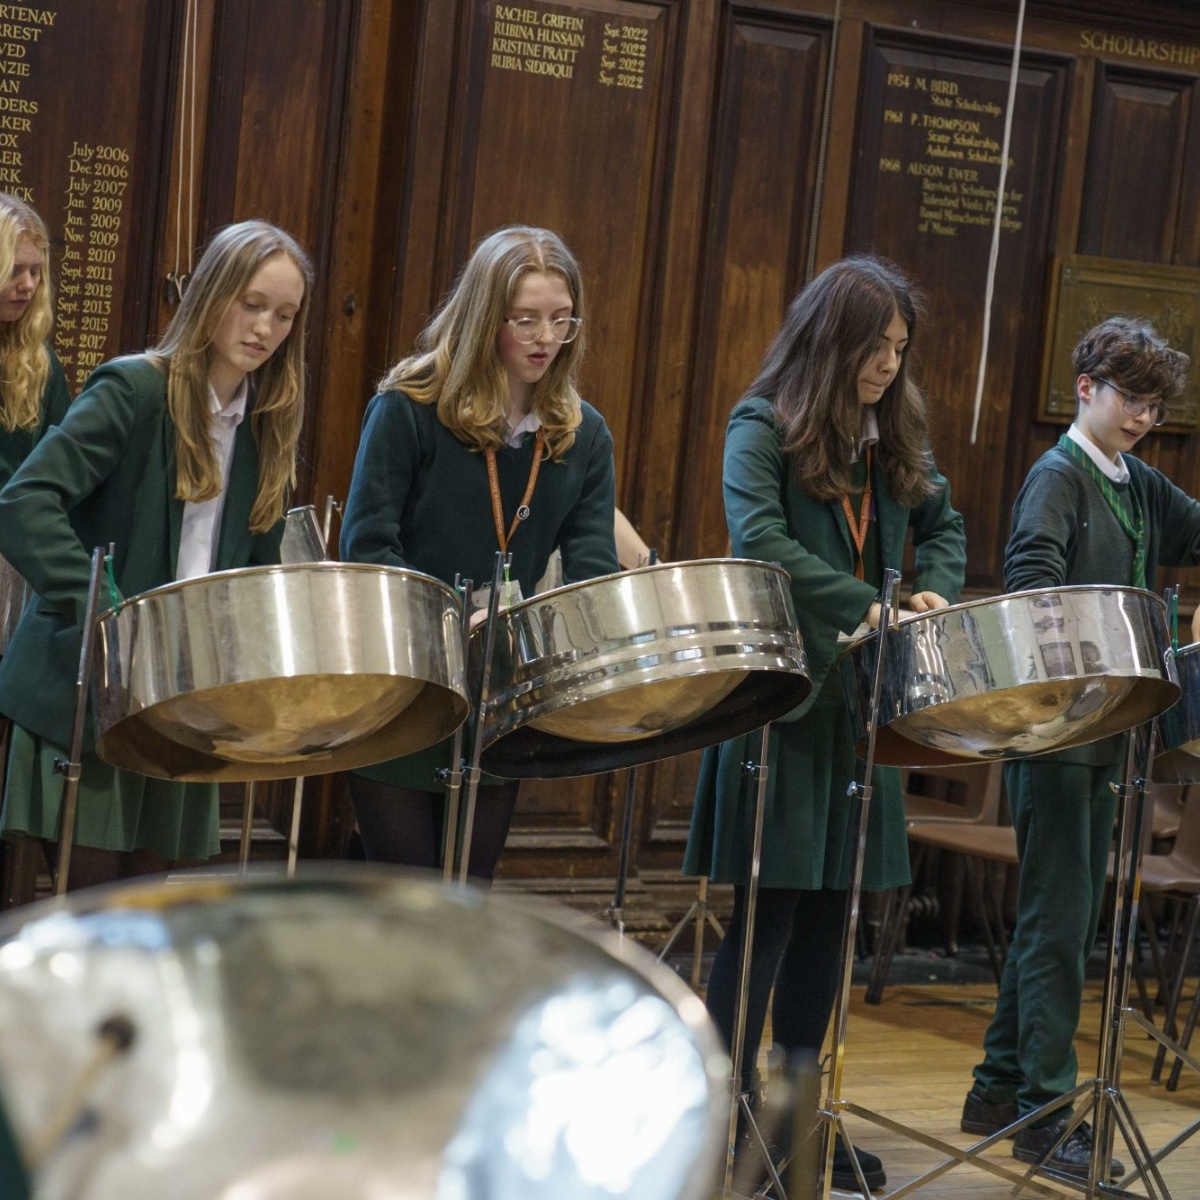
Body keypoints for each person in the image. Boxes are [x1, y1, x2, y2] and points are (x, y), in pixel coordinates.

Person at [683, 255, 966, 1193]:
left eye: (899, 347)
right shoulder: (760, 425)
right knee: (763, 926)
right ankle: (720, 1127)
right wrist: (862, 602)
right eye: (874, 346)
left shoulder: (892, 437)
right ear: (829, 340)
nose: (889, 364)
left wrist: (933, 589)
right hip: (782, 706)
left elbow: (949, 522)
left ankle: (801, 1128)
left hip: (862, 714)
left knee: (829, 930)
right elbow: (757, 540)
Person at [0, 219, 312, 891]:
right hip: (88, 694)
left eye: (284, 315)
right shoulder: (134, 390)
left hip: (182, 706)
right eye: (252, 303)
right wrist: (107, 613)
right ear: (211, 295)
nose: (265, 327)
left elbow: (250, 577)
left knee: (144, 922)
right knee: (94, 920)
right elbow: (24, 502)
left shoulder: (267, 427)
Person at [962, 316, 1200, 1179]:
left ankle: (995, 1089)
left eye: (1154, 403)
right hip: (1059, 732)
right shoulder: (1056, 479)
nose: (1143, 416)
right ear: (1085, 391)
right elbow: (1030, 589)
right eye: (1130, 399)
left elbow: (1196, 535)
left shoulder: (1137, 482)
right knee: (1060, 927)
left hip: (1107, 732)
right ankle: (1044, 1115)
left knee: (1054, 920)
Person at [340, 225, 618, 882]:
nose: (545, 339)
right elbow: (368, 547)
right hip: (401, 688)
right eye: (525, 321)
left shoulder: (582, 436)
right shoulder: (409, 407)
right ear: (484, 317)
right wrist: (449, 616)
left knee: (467, 899)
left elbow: (592, 571)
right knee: (406, 903)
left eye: (560, 320)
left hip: (495, 702)